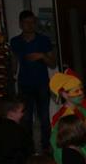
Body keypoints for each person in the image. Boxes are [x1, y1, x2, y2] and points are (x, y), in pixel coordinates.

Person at [10, 10, 56, 151]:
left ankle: (46, 148)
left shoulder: (43, 40)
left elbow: (52, 63)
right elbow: (13, 63)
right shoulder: (15, 41)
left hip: (42, 84)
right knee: (26, 119)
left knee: (44, 118)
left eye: (32, 22)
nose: (29, 25)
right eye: (26, 22)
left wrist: (42, 56)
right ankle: (28, 149)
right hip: (24, 85)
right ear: (20, 24)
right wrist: (11, 78)